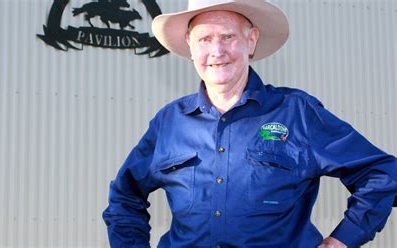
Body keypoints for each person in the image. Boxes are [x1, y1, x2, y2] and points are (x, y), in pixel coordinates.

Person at [102, 0, 397, 247]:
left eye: (228, 36)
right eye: (205, 39)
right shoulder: (169, 122)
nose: (217, 51)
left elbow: (383, 173)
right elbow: (125, 196)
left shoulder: (297, 113)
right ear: (190, 47)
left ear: (251, 40)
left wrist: (342, 240)